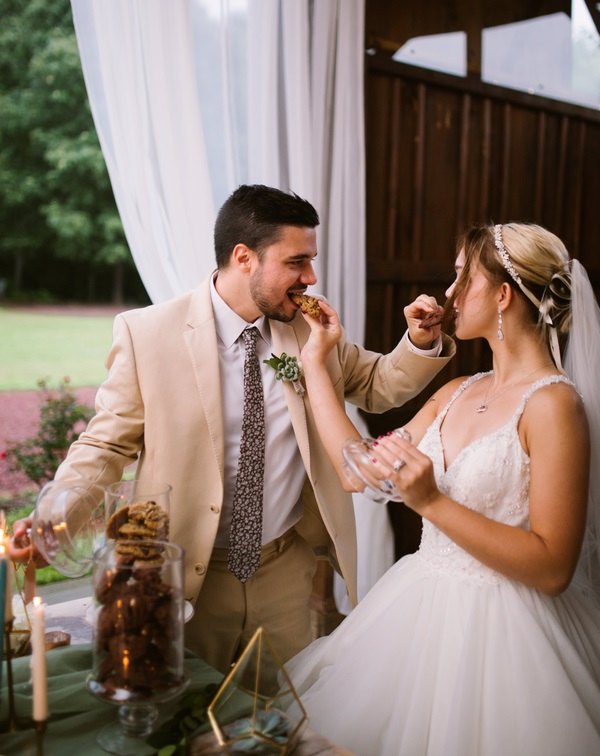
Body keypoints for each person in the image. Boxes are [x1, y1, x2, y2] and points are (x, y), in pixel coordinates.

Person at [11, 184, 454, 685]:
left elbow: (377, 385)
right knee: (186, 720)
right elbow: (106, 444)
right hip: (186, 579)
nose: (310, 278)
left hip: (286, 575)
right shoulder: (146, 334)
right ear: (244, 257)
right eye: (297, 262)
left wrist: (420, 341)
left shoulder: (311, 331)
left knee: (280, 720)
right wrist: (55, 517)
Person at [283, 222, 600, 755]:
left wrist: (431, 501)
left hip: (508, 643)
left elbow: (552, 569)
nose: (448, 294)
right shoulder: (457, 390)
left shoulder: (553, 407)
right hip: (419, 616)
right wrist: (318, 360)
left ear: (503, 294)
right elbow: (354, 470)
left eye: (462, 278)